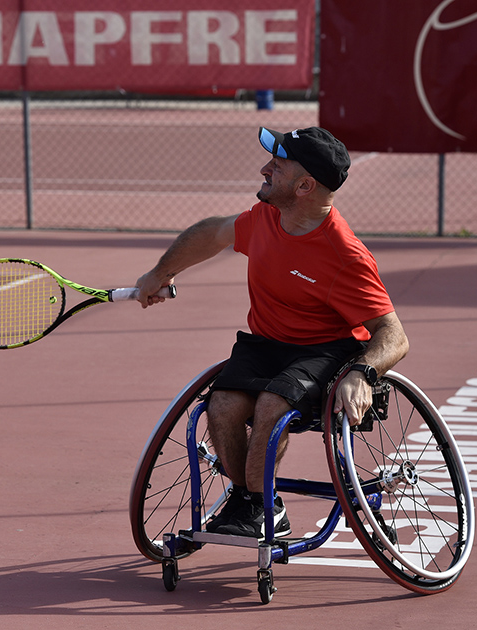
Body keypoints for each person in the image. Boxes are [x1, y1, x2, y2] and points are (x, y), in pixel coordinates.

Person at [134, 126, 409, 539]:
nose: (264, 169)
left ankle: (258, 503)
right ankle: (256, 503)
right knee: (222, 406)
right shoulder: (266, 217)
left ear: (304, 186)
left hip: (323, 351)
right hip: (265, 343)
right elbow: (212, 233)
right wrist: (160, 272)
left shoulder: (344, 256)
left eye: (276, 167)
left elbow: (393, 334)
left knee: (271, 405)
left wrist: (363, 373)